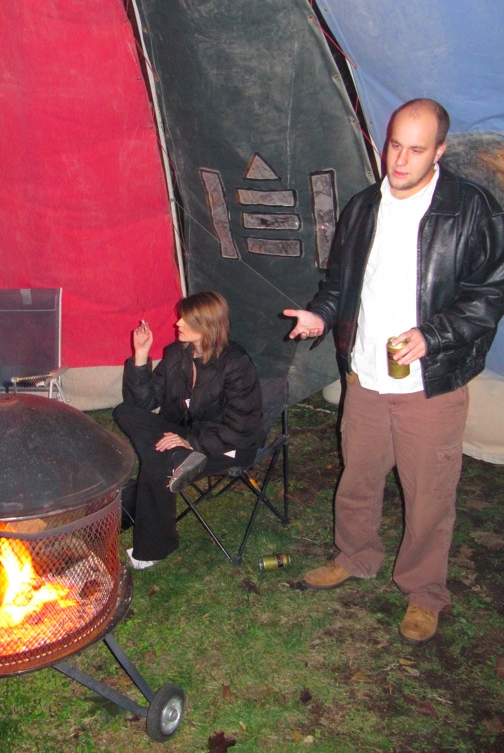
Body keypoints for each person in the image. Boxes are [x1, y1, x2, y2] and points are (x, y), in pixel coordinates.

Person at [284, 99, 504, 644]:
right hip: (364, 377)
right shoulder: (363, 207)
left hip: (429, 385)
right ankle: (355, 556)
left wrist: (433, 336)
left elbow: (489, 294)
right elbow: (340, 285)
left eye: (416, 149)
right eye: (394, 146)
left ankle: (424, 591)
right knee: (357, 479)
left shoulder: (469, 209)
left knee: (429, 493)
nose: (400, 160)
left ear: (441, 151)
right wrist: (321, 314)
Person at [114, 291, 264, 569]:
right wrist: (141, 354)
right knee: (124, 412)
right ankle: (175, 460)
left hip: (227, 444)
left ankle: (155, 549)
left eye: (186, 319)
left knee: (157, 466)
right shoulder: (176, 354)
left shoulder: (235, 363)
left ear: (207, 326)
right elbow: (143, 403)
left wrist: (189, 441)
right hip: (184, 433)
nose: (178, 323)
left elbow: (241, 428)